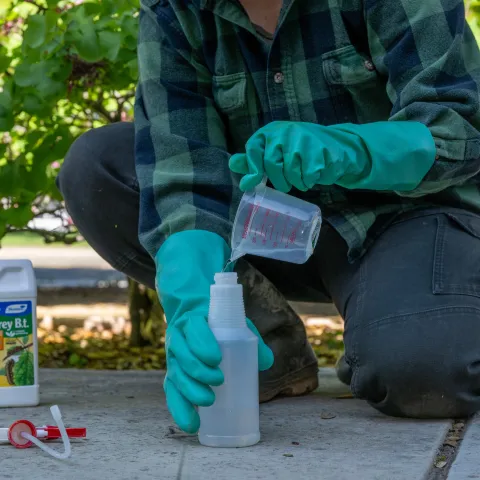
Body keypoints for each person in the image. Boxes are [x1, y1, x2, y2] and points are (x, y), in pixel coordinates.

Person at [58, 0, 480, 433]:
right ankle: (265, 348)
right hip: (265, 223)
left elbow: (459, 128)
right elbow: (181, 172)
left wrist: (354, 150)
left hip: (405, 217)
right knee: (97, 168)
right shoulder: (175, 9)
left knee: (425, 368)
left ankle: (397, 324)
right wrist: (192, 303)